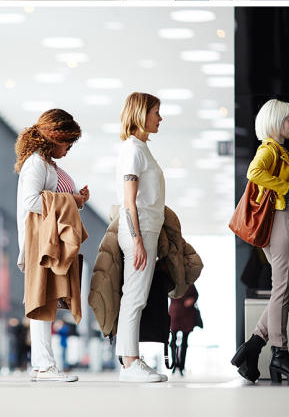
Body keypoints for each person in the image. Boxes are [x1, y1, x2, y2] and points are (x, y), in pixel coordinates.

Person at [230, 99, 289, 383]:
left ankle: (252, 347)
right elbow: (254, 172)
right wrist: (282, 186)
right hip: (283, 221)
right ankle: (279, 352)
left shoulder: (282, 152)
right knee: (283, 289)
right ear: (278, 121)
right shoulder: (268, 149)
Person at [14, 108, 89, 383]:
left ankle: (41, 365)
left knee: (45, 299)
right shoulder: (36, 164)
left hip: (48, 239)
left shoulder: (47, 164)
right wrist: (71, 202)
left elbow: (49, 199)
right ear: (54, 137)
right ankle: (45, 366)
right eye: (67, 142)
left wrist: (74, 199)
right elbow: (31, 202)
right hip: (40, 241)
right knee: (41, 299)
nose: (69, 148)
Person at [114, 92, 168, 382]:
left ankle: (131, 359)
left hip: (147, 230)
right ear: (141, 114)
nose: (160, 118)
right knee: (134, 297)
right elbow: (129, 201)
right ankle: (129, 363)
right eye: (156, 112)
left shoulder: (141, 149)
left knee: (137, 297)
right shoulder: (133, 149)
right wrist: (136, 240)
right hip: (139, 230)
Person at [168, 284, 200, 376]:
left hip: (187, 315)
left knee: (184, 343)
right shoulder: (174, 281)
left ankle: (181, 366)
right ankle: (175, 364)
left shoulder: (189, 282)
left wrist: (191, 300)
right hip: (175, 313)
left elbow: (195, 295)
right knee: (173, 342)